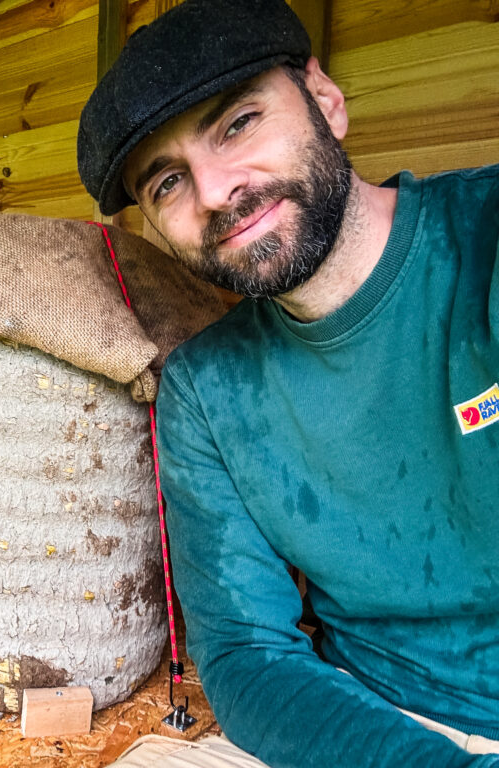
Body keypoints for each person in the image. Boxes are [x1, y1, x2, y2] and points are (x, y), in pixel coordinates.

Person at [76, 1, 499, 766]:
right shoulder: (204, 390)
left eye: (238, 124)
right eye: (167, 183)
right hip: (364, 728)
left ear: (325, 101)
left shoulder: (485, 238)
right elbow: (245, 652)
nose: (214, 192)